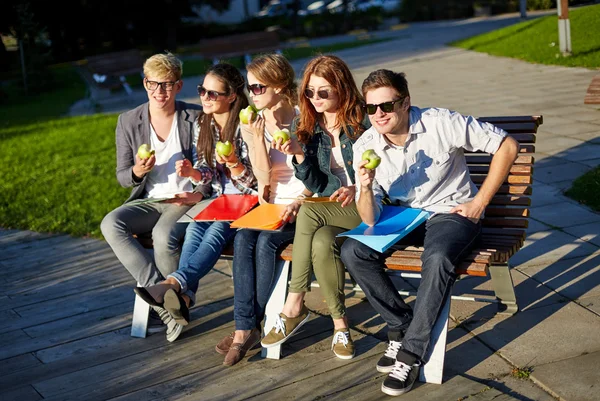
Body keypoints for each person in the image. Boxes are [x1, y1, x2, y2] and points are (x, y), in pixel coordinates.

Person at [340, 69, 519, 396]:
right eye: (371, 109)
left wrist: (479, 202)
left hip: (451, 212)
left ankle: (410, 353)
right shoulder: (366, 145)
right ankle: (399, 324)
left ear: (406, 103)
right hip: (403, 216)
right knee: (353, 251)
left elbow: (507, 145)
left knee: (437, 258)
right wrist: (364, 188)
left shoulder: (440, 123)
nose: (378, 114)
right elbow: (370, 218)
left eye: (387, 106)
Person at [133, 63, 258, 342]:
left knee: (214, 232)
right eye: (202, 90)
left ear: (232, 97)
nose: (204, 97)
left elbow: (258, 181)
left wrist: (236, 165)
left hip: (247, 200)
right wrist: (193, 173)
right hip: (217, 200)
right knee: (193, 229)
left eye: (213, 94)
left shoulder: (246, 126)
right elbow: (208, 172)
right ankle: (184, 298)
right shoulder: (204, 123)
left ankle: (173, 283)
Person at [260, 55, 370, 360]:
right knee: (322, 241)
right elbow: (318, 183)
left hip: (372, 203)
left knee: (308, 209)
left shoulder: (364, 118)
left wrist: (358, 186)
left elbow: (387, 168)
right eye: (309, 92)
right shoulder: (305, 123)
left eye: (324, 92)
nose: (315, 98)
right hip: (335, 206)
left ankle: (293, 304)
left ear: (342, 89)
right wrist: (297, 155)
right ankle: (340, 325)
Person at [100, 52, 202, 341]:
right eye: (154, 84)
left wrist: (194, 176)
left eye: (167, 84)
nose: (160, 91)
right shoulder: (129, 121)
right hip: (149, 199)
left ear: (178, 86)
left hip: (185, 198)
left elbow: (208, 169)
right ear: (145, 84)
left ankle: (173, 305)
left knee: (163, 233)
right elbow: (122, 176)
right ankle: (166, 302)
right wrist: (137, 170)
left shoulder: (193, 117)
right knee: (110, 223)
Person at [216, 53, 309, 366]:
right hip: (272, 205)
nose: (251, 93)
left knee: (267, 243)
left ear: (280, 86)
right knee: (243, 237)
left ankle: (245, 329)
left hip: (307, 205)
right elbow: (264, 179)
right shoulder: (252, 122)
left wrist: (301, 201)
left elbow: (321, 172)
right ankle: (246, 327)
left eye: (258, 87)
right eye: (250, 87)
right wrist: (256, 137)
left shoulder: (304, 118)